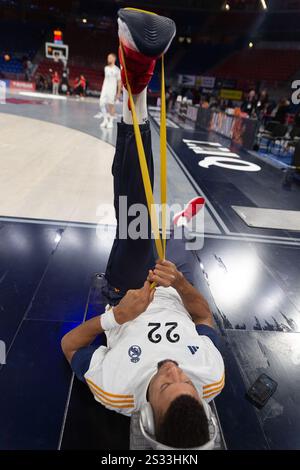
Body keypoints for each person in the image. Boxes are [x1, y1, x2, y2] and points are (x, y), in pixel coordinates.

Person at [61, 8, 224, 449]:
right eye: (184, 379)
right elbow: (205, 316)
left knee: (137, 220)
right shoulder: (210, 378)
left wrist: (120, 315)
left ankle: (137, 73)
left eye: (166, 383)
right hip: (169, 285)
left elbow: (70, 345)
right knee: (162, 220)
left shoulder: (115, 388)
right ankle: (136, 89)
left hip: (130, 292)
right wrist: (183, 284)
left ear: (146, 412)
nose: (175, 369)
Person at [96, 52, 122, 129]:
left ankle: (110, 121)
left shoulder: (117, 70)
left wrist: (118, 93)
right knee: (101, 103)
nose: (108, 59)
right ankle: (105, 120)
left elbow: (119, 82)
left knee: (111, 106)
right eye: (108, 58)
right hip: (104, 89)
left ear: (114, 59)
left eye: (110, 57)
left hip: (112, 90)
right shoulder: (106, 68)